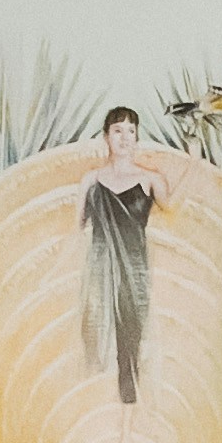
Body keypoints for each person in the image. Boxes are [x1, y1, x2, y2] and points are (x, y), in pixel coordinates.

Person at [75, 108, 174, 410]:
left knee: (131, 336)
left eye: (131, 131)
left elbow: (173, 206)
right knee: (96, 334)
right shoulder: (91, 180)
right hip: (100, 267)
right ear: (106, 137)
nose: (125, 137)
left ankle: (131, 411)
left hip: (135, 269)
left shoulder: (149, 179)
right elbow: (76, 227)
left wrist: (194, 160)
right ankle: (102, 413)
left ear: (137, 137)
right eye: (118, 130)